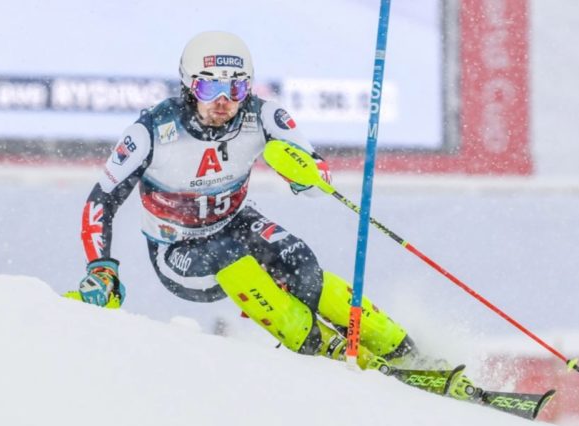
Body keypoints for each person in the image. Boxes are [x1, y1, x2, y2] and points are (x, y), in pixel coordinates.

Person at [75, 31, 474, 397]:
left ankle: (411, 356)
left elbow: (316, 170)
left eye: (235, 87)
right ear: (188, 85)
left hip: (234, 220)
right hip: (177, 249)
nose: (223, 100)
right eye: (209, 86)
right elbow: (101, 200)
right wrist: (101, 268)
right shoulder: (151, 130)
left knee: (300, 263)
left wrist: (304, 174)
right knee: (232, 257)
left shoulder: (262, 116)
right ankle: (333, 353)